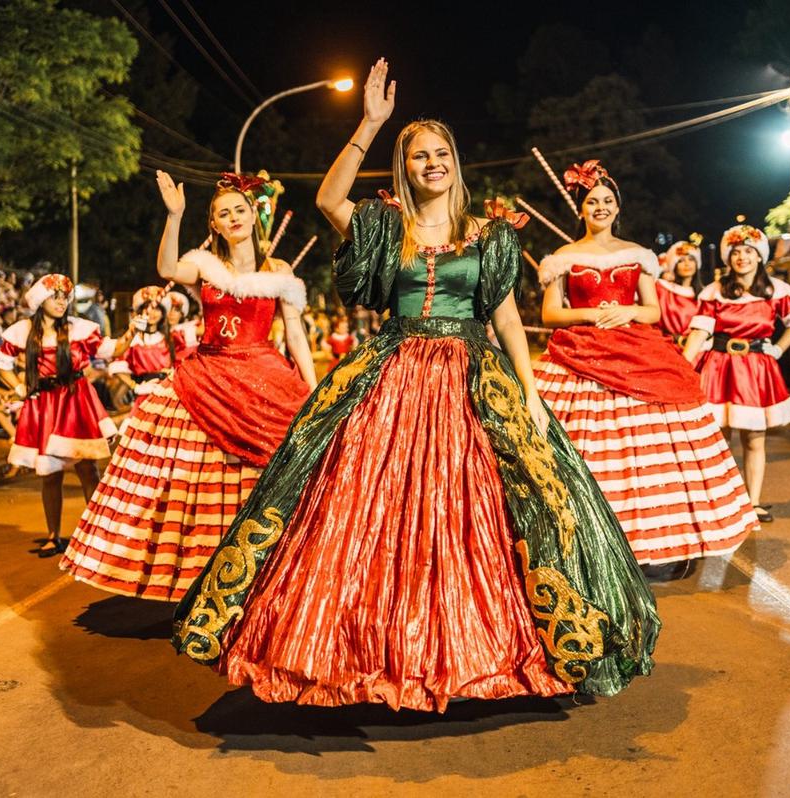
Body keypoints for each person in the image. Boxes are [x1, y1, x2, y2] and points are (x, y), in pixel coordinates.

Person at [169, 60, 660, 712]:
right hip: (391, 376)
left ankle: (478, 652)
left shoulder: (488, 234)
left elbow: (508, 318)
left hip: (470, 378)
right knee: (362, 513)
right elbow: (326, 200)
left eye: (441, 153)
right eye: (419, 154)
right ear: (404, 167)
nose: (432, 162)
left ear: (454, 161)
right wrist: (371, 123)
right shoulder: (381, 225)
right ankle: (364, 654)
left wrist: (534, 395)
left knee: (489, 514)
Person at [61, 172, 316, 598]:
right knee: (200, 487)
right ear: (213, 223)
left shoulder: (280, 270)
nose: (233, 217)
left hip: (266, 381)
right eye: (222, 213)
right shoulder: (203, 262)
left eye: (239, 209)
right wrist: (174, 215)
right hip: (208, 378)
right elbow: (165, 268)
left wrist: (313, 390)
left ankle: (263, 580)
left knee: (258, 482)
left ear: (254, 214)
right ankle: (203, 579)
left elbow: (295, 335)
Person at [533, 162, 756, 580]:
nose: (600, 207)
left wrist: (627, 310)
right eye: (592, 201)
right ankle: (588, 546)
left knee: (649, 454)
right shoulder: (563, 256)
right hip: (579, 355)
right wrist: (594, 315)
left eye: (608, 201)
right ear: (581, 209)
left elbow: (652, 310)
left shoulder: (639, 255)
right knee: (591, 450)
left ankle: (649, 546)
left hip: (637, 353)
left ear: (618, 208)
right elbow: (550, 313)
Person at [682, 225, 790, 523]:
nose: (742, 257)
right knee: (718, 437)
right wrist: (682, 366)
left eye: (749, 251)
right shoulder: (715, 292)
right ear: (728, 257)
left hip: (756, 369)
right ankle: (719, 500)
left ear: (759, 256)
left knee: (755, 438)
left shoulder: (777, 291)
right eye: (736, 252)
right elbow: (699, 331)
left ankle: (754, 502)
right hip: (719, 366)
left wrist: (777, 350)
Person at [0, 274, 117, 557]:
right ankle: (54, 535)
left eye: (65, 297)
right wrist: (17, 385)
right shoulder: (24, 331)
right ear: (40, 300)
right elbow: (1, 362)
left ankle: (95, 535)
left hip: (75, 402)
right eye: (55, 296)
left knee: (88, 469)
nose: (61, 302)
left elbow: (110, 350)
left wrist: (133, 333)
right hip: (45, 405)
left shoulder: (78, 329)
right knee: (50, 474)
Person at [106, 286, 196, 406]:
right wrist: (136, 387)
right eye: (147, 308)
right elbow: (117, 368)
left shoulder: (172, 338)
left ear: (163, 312)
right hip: (143, 397)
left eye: (157, 309)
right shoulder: (134, 340)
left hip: (169, 395)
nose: (152, 313)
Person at [655, 240, 704, 344]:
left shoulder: (704, 295)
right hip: (666, 345)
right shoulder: (662, 288)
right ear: (674, 266)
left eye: (691, 259)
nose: (687, 264)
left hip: (696, 350)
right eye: (681, 261)